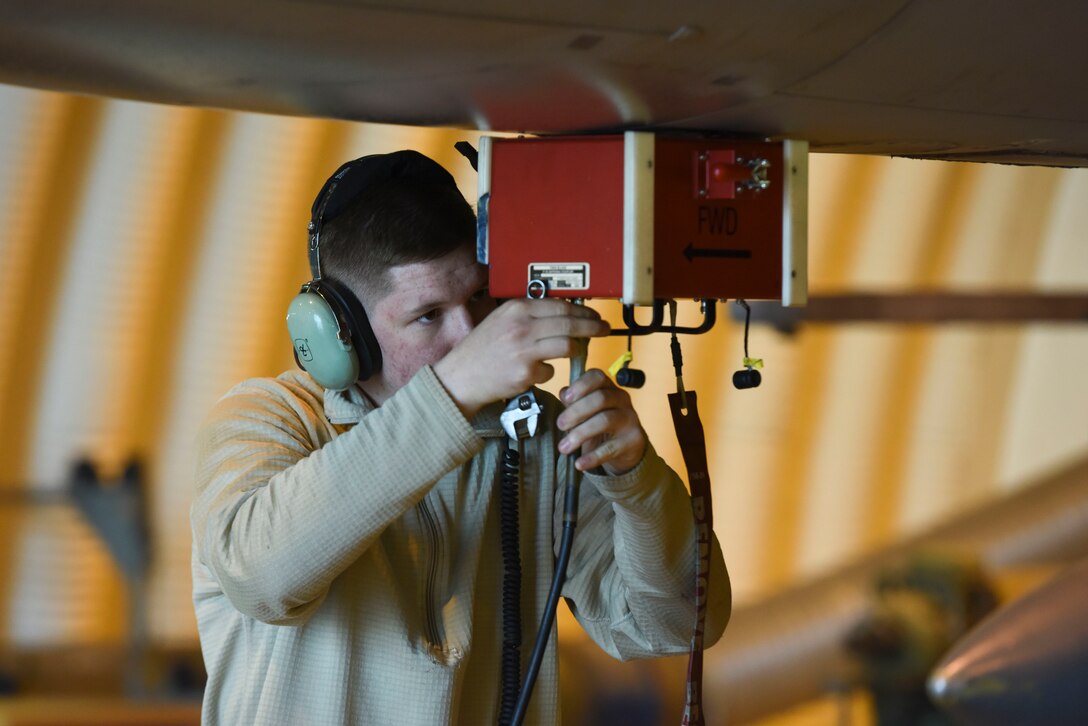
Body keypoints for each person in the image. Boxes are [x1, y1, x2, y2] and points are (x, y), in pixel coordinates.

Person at [191, 149, 730, 725]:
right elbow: (262, 578)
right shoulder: (266, 420)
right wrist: (454, 390)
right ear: (339, 335)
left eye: (478, 297)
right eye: (428, 315)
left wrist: (637, 482)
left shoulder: (535, 434)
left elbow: (671, 625)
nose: (472, 334)